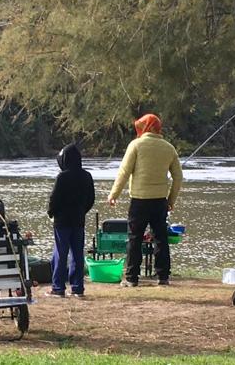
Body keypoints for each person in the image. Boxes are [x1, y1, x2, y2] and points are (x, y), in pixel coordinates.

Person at [108, 113, 183, 287]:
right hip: (160, 201)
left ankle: (132, 278)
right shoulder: (169, 148)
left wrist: (114, 195)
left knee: (134, 238)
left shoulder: (135, 145)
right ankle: (163, 277)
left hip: (139, 201)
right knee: (160, 239)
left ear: (144, 128)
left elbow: (124, 172)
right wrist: (171, 200)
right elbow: (178, 177)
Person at [46, 142, 95, 298]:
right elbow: (91, 199)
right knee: (77, 254)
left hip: (62, 221)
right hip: (79, 220)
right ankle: (77, 288)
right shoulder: (87, 176)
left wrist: (51, 212)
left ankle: (58, 287)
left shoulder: (62, 177)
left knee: (60, 253)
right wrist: (82, 211)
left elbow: (55, 198)